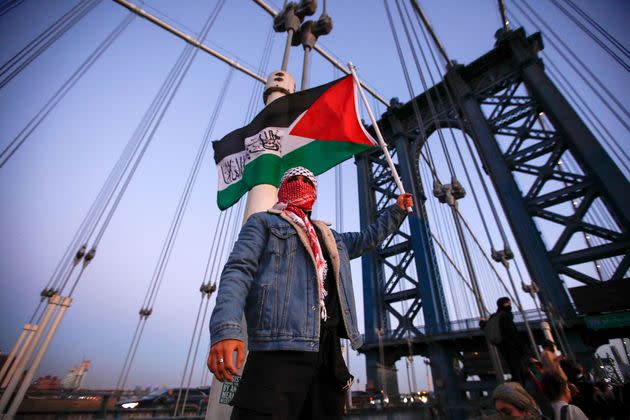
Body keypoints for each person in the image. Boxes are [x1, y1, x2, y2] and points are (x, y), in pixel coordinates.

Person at [207, 166, 412, 419]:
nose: (300, 183)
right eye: (293, 179)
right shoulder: (263, 222)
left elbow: (367, 238)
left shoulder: (330, 237)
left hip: (328, 353)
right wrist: (226, 330)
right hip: (278, 349)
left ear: (314, 192)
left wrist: (396, 211)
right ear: (282, 189)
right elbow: (238, 271)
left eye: (307, 180)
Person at [488, 297, 529, 385]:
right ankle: (519, 391)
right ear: (502, 304)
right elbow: (512, 333)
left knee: (513, 369)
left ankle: (517, 390)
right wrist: (522, 348)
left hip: (502, 347)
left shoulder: (494, 316)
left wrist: (482, 323)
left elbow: (487, 327)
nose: (510, 305)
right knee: (518, 371)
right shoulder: (505, 316)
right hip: (512, 347)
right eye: (507, 303)